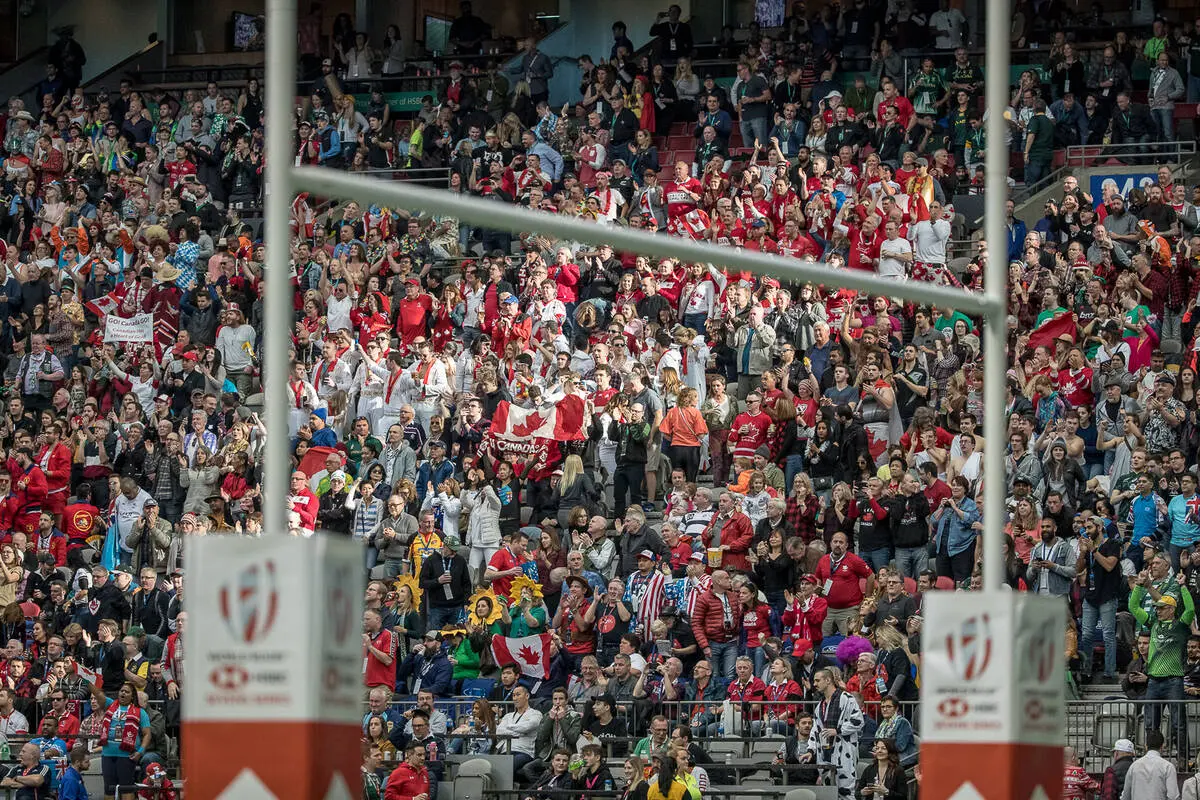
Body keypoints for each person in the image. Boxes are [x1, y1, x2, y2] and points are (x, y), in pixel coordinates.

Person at [801, 668, 864, 798]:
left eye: (818, 680)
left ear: (828, 680)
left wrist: (838, 730)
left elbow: (858, 720)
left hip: (843, 752)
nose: (815, 684)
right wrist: (810, 750)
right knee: (827, 793)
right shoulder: (821, 705)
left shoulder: (846, 698)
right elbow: (815, 730)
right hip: (824, 754)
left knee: (846, 792)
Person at [1121, 730, 1176, 800]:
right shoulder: (1168, 767)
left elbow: (1125, 796)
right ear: (1162, 747)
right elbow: (1173, 796)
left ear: (1146, 746)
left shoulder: (1134, 766)